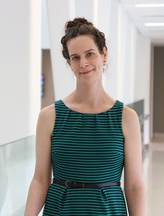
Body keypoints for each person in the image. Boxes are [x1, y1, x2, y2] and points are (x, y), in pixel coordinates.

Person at [24, 17, 145, 215]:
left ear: (103, 54)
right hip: (61, 210)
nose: (83, 63)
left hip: (108, 211)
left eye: (90, 54)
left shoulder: (126, 118)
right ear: (69, 62)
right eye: (75, 57)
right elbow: (40, 180)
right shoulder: (49, 117)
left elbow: (134, 185)